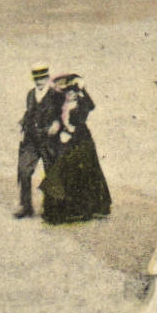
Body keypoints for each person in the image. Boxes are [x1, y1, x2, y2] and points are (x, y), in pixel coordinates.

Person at [39, 74, 111, 224]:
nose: (70, 94)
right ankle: (62, 210)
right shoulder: (62, 105)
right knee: (65, 174)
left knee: (79, 174)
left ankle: (84, 209)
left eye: (72, 91)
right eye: (67, 92)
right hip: (68, 142)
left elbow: (91, 107)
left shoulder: (82, 104)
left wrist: (83, 88)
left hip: (82, 142)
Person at [16, 63, 62, 218]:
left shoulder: (56, 94)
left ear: (48, 77)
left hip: (49, 140)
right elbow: (29, 112)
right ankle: (26, 206)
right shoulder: (30, 94)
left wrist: (57, 123)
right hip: (31, 140)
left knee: (52, 173)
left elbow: (64, 113)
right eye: (37, 77)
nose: (39, 80)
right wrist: (22, 123)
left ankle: (52, 208)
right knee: (24, 170)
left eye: (42, 77)